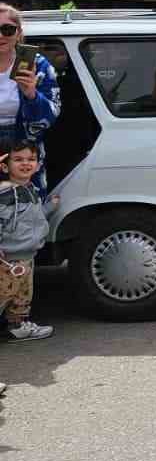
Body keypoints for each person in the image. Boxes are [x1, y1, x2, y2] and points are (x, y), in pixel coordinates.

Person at [0, 3, 59, 193]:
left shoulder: (37, 64)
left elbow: (50, 117)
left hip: (22, 147)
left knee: (23, 206)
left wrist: (31, 95)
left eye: (7, 30)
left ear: (18, 33)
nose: (1, 35)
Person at [0, 142, 56, 341]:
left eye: (31, 159)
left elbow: (34, 217)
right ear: (5, 167)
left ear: (38, 165)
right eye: (18, 159)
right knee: (4, 294)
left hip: (27, 255)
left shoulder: (30, 189)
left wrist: (49, 207)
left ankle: (18, 326)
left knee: (22, 296)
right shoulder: (5, 193)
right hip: (8, 259)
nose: (25, 163)